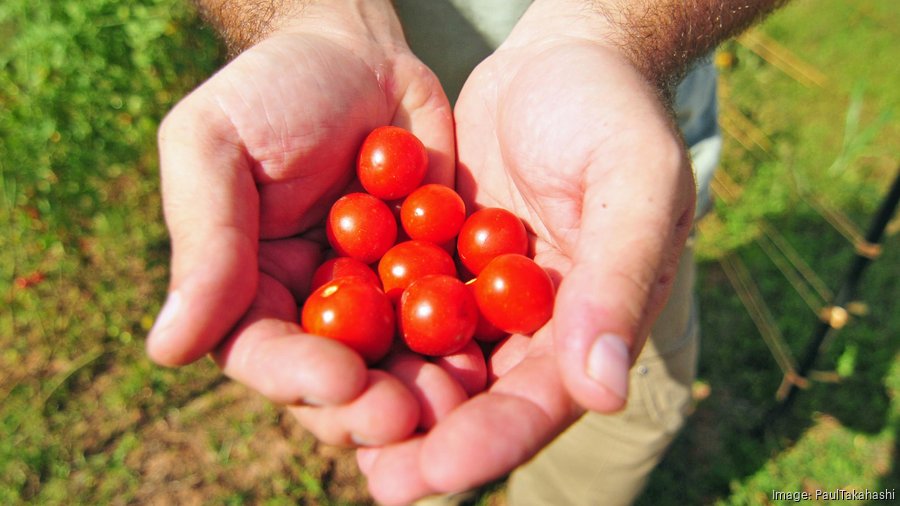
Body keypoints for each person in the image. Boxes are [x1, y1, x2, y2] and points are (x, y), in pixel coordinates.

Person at [147, 1, 786, 504]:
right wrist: (306, 16)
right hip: (399, 129)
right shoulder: (394, 249)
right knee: (419, 437)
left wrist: (618, 34)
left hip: (590, 201)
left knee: (617, 415)